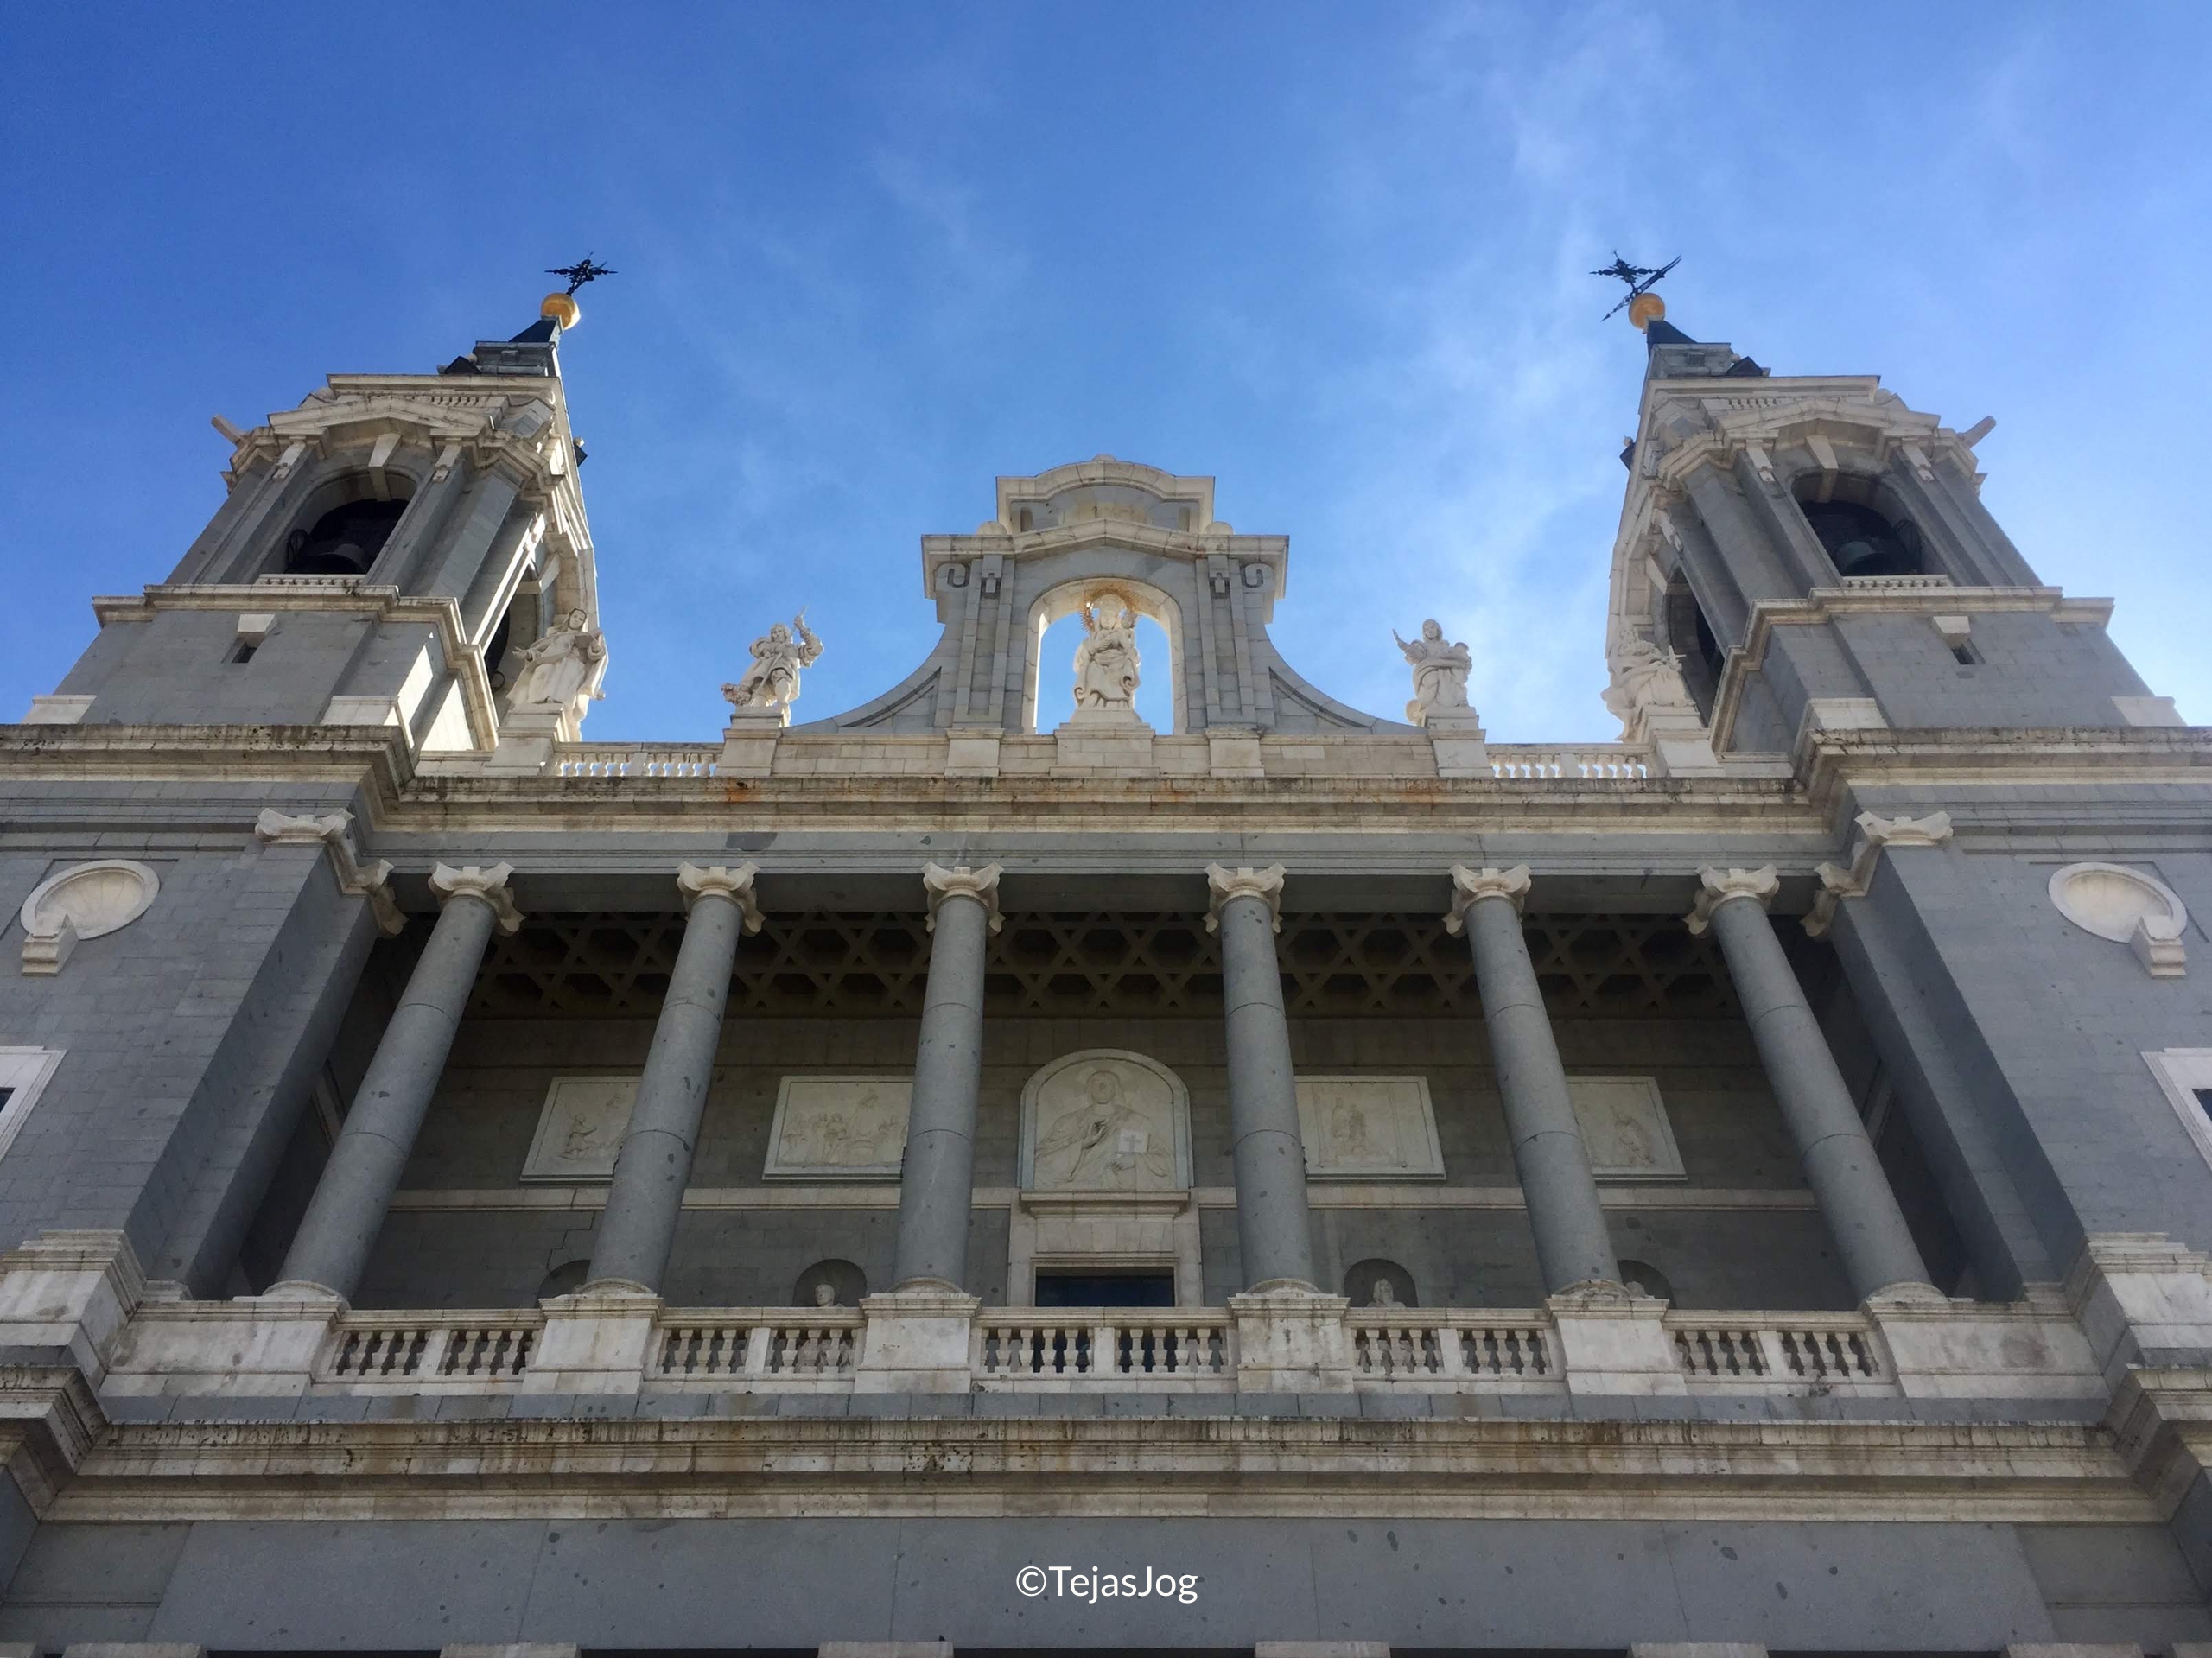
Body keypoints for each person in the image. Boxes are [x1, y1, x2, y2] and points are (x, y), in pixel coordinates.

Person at [726, 610, 823, 712]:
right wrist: (773, 648)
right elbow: (755, 647)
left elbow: (815, 648)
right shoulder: (767, 645)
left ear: (786, 633)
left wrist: (802, 627)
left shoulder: (794, 649)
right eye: (774, 632)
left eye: (779, 631)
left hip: (783, 672)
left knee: (781, 673)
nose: (777, 634)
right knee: (758, 700)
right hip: (762, 676)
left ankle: (782, 704)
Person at [1392, 619, 1472, 724]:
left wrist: (1460, 657)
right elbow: (1418, 656)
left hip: (1446, 669)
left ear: (1438, 630)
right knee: (1431, 678)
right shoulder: (1422, 645)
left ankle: (1459, 701)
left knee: (1454, 672)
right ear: (1424, 633)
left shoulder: (1445, 646)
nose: (1429, 630)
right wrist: (1405, 647)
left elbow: (1454, 657)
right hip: (1428, 668)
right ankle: (1432, 704)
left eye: (1432, 627)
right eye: (1426, 629)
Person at [1072, 596, 1141, 713]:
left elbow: (1130, 650)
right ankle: (1092, 700)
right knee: (1094, 668)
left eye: (1111, 617)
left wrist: (1131, 654)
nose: (1107, 619)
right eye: (1105, 616)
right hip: (1097, 662)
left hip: (1118, 662)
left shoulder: (1120, 634)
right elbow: (1081, 658)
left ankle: (1120, 704)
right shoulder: (1092, 637)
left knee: (1122, 666)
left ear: (1116, 620)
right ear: (1099, 619)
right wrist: (1090, 649)